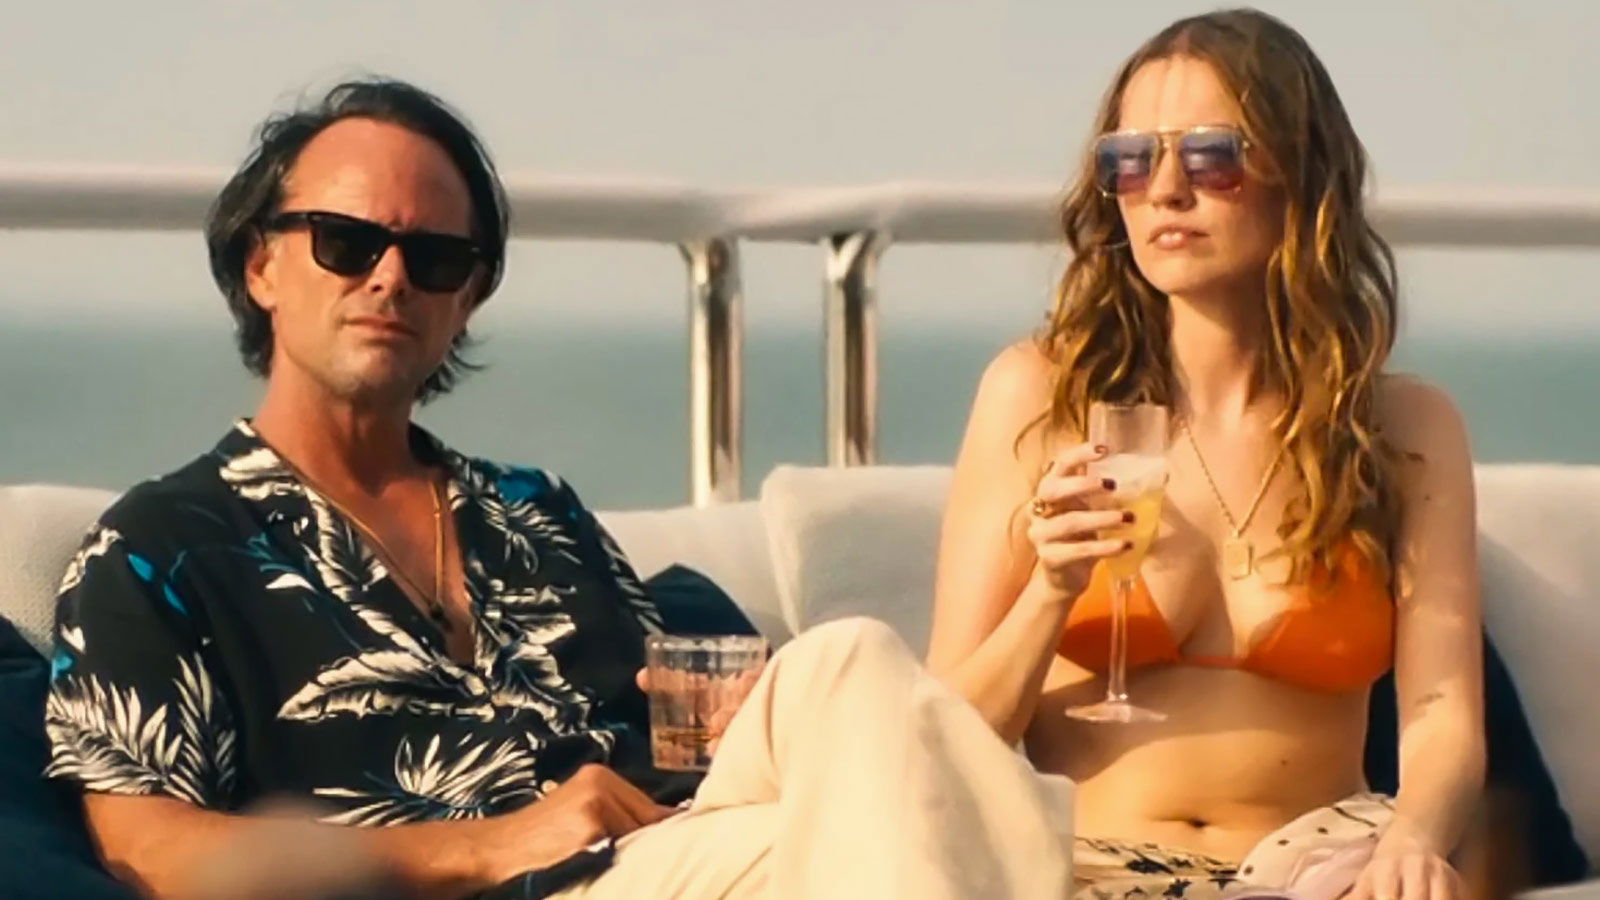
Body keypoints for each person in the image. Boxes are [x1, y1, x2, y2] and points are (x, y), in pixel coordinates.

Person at [42, 78, 1074, 900]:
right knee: (923, 825)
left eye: (435, 257)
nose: (391, 277)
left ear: (468, 297)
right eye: (346, 243)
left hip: (688, 846)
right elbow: (153, 854)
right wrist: (492, 842)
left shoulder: (534, 513)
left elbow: (679, 734)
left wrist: (740, 716)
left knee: (848, 661)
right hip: (531, 885)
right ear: (261, 266)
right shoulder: (159, 550)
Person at [926, 9, 1484, 900]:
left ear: (1300, 174)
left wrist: (1412, 845)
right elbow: (941, 741)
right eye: (1130, 159)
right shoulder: (1040, 396)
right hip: (1088, 865)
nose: (1164, 190)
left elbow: (1443, 717)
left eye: (1212, 155)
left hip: (1318, 864)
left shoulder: (1399, 425)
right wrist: (1051, 591)